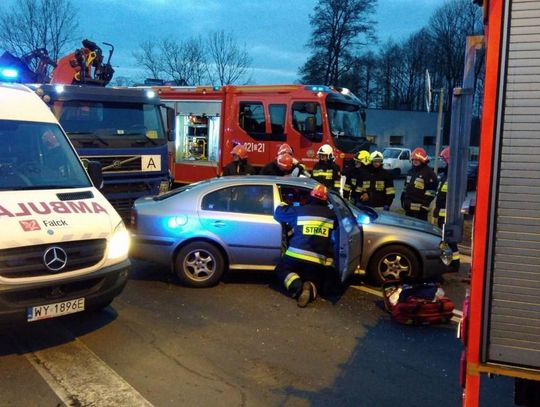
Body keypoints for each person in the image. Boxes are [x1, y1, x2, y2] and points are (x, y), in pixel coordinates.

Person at [273, 184, 338, 307]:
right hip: (318, 260)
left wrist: (284, 203)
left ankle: (296, 286)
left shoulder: (299, 210)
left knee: (281, 269)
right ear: (325, 199)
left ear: (311, 196)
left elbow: (278, 213)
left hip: (296, 255)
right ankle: (310, 285)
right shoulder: (332, 215)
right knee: (316, 278)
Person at [433, 147, 460, 266]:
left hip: (449, 216)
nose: (442, 162)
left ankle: (454, 263)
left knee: (450, 241)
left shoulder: (454, 176)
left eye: (444, 160)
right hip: (442, 214)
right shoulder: (445, 175)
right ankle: (447, 261)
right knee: (444, 240)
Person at [401, 147, 438, 221]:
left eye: (417, 159)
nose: (415, 161)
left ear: (422, 160)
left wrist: (423, 205)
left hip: (421, 212)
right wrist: (403, 199)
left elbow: (431, 192)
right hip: (409, 209)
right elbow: (406, 187)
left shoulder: (429, 173)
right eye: (414, 159)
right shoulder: (410, 172)